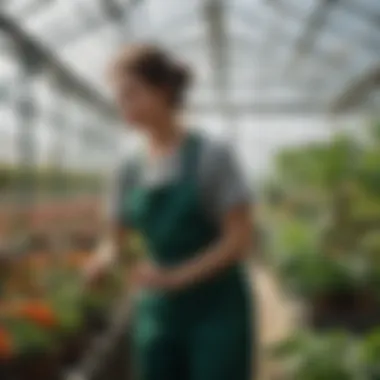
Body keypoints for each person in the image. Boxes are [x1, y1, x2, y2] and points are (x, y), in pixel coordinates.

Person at [86, 44, 256, 380]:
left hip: (216, 309)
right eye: (119, 99)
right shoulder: (128, 168)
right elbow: (116, 240)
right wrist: (103, 260)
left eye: (131, 95)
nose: (124, 107)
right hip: (159, 310)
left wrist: (178, 277)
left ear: (163, 90)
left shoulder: (211, 156)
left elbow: (240, 238)